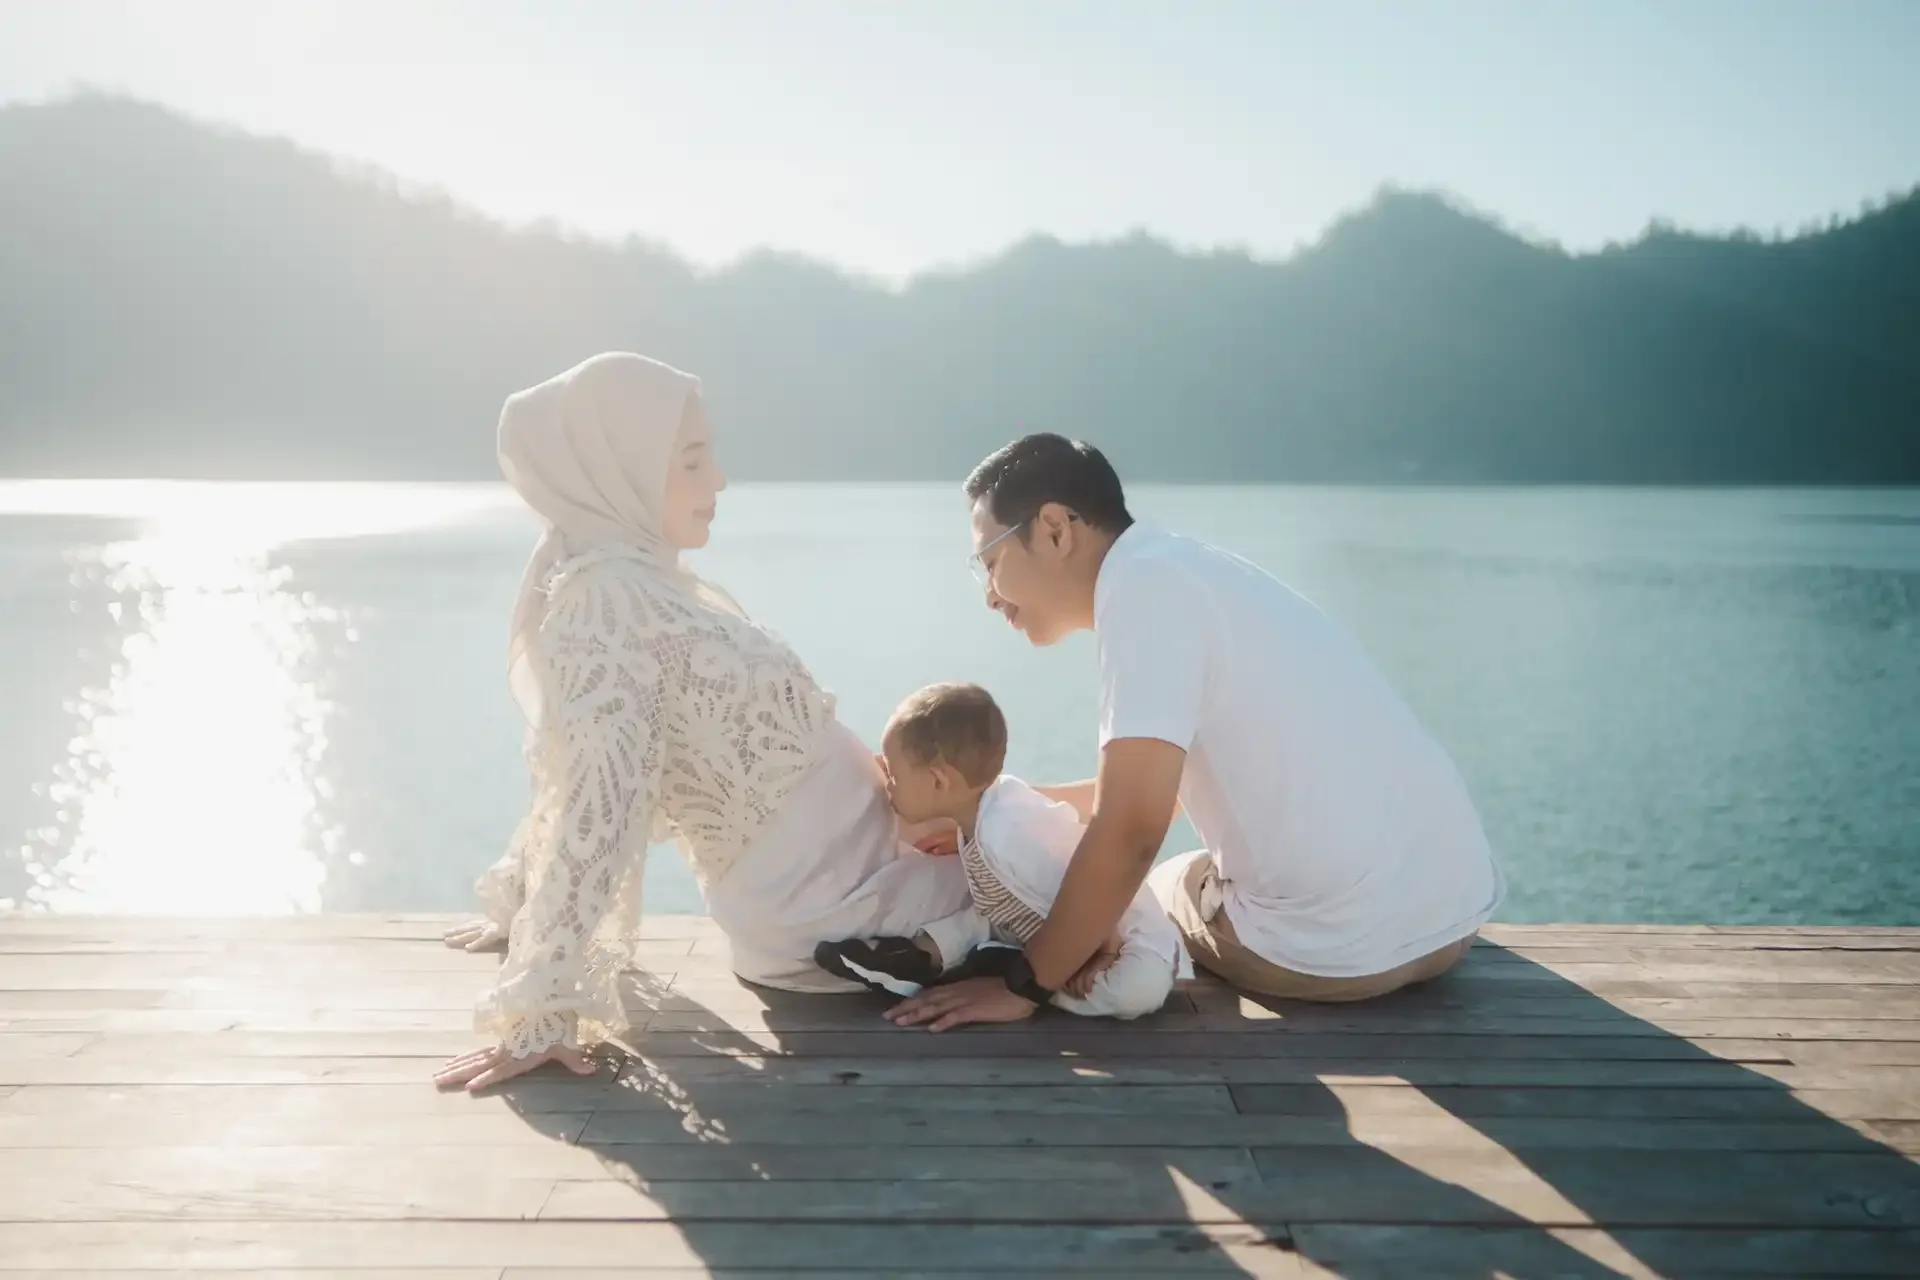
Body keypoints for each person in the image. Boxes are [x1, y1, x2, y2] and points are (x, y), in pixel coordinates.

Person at [434, 352, 972, 1091]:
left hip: (850, 879)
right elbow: (602, 797)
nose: (717, 480)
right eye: (690, 461)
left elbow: (576, 762)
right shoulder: (613, 601)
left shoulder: (630, 581)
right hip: (842, 904)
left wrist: (526, 901)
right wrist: (541, 1005)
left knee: (1059, 852)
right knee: (1082, 878)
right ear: (617, 470)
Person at [887, 433, 1504, 1032]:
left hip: (1331, 952)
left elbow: (1130, 829)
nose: (990, 596)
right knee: (1116, 876)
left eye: (990, 562)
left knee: (1138, 892)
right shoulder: (1184, 571)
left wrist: (1027, 982)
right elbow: (1164, 792)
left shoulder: (1142, 596)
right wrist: (986, 807)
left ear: (1055, 528)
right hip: (1450, 925)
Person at [815, 682, 1181, 1020]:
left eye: (893, 774)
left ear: (940, 781)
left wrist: (1107, 952)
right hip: (1039, 923)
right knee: (985, 912)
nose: (887, 783)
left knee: (1135, 991)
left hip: (1125, 937)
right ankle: (912, 956)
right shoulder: (979, 816)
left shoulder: (1007, 831)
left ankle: (1018, 977)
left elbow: (1095, 886)